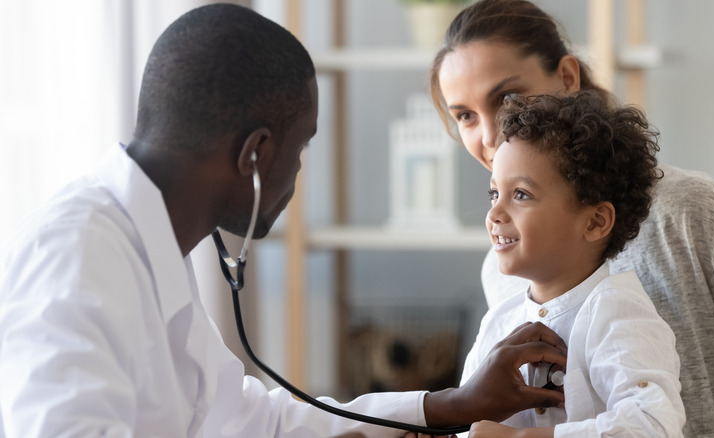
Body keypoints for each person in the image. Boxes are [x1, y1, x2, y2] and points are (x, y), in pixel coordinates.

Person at [0, 4, 569, 437]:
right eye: (300, 150)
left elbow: (257, 421)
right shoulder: (73, 255)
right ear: (255, 156)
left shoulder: (147, 250)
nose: (296, 177)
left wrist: (456, 404)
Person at [428, 0, 714, 436]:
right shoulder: (504, 270)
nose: (489, 135)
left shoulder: (693, 212)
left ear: (568, 78)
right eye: (464, 115)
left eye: (508, 97)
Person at [478, 91, 683, 436]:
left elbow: (654, 426)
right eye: (494, 193)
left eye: (521, 195)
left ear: (594, 222)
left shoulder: (618, 313)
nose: (495, 213)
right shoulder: (499, 322)